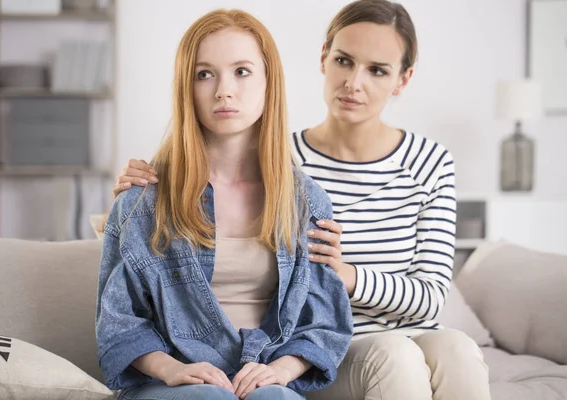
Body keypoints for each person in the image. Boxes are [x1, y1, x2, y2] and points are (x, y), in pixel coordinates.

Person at [110, 1, 493, 399]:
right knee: (395, 356)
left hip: (338, 341)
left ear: (403, 78)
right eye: (344, 60)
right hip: (339, 350)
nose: (354, 82)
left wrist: (346, 276)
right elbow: (134, 272)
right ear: (324, 58)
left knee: (459, 349)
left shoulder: (417, 166)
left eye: (377, 70)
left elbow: (431, 296)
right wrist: (134, 197)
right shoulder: (281, 161)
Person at [96, 8, 354, 400]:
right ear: (187, 87)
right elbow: (118, 322)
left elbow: (323, 322)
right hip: (168, 380)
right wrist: (173, 369)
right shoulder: (145, 198)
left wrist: (280, 370)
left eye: (242, 71)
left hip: (264, 375)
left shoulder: (305, 202)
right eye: (204, 74)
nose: (223, 90)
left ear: (270, 82)